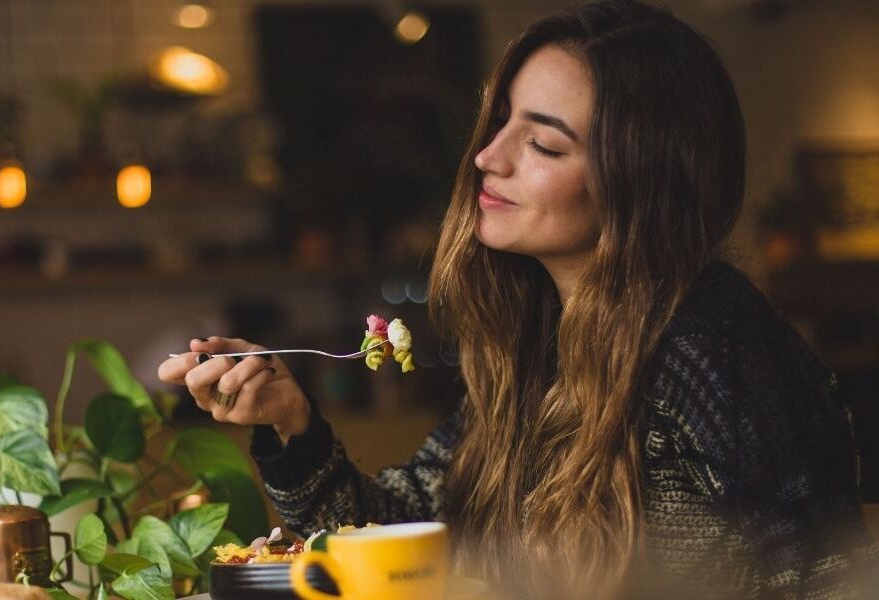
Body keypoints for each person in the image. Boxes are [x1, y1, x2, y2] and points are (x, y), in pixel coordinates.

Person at [158, 0, 877, 597]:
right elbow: (411, 526)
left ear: (641, 184)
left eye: (546, 145)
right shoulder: (543, 340)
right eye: (501, 120)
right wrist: (291, 421)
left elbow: (822, 574)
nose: (487, 156)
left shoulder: (710, 350)